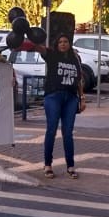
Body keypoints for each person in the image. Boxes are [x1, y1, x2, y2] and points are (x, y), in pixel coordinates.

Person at [32, 34, 85, 179]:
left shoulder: (75, 59)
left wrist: (82, 98)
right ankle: (48, 164)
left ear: (69, 43)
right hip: (53, 96)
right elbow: (38, 48)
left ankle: (70, 166)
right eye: (60, 42)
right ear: (56, 44)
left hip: (71, 98)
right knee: (52, 130)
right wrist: (32, 36)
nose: (63, 44)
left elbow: (79, 79)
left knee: (68, 133)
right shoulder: (52, 55)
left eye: (66, 41)